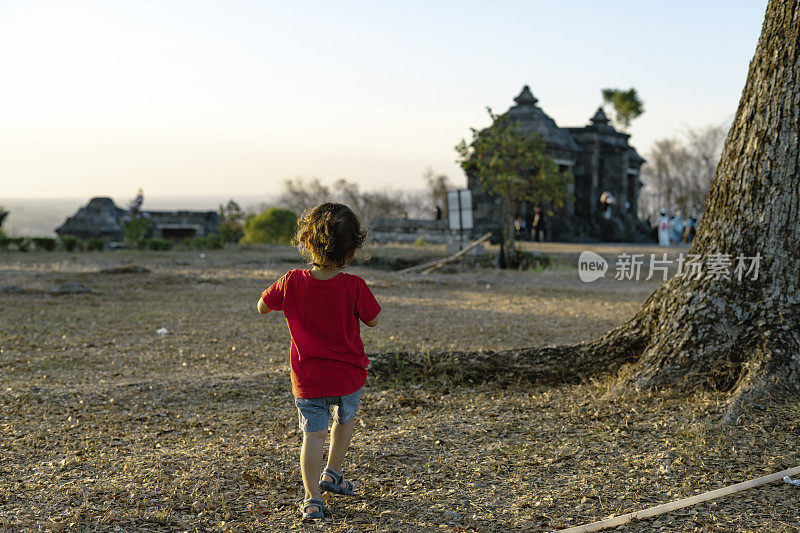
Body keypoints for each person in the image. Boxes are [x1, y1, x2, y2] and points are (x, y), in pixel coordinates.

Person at [257, 202, 381, 521]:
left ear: (307, 242)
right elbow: (373, 320)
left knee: (312, 435)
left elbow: (262, 305)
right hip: (348, 376)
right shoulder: (354, 286)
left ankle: (312, 499)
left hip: (309, 379)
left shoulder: (291, 281)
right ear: (352, 250)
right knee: (344, 419)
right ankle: (333, 473)